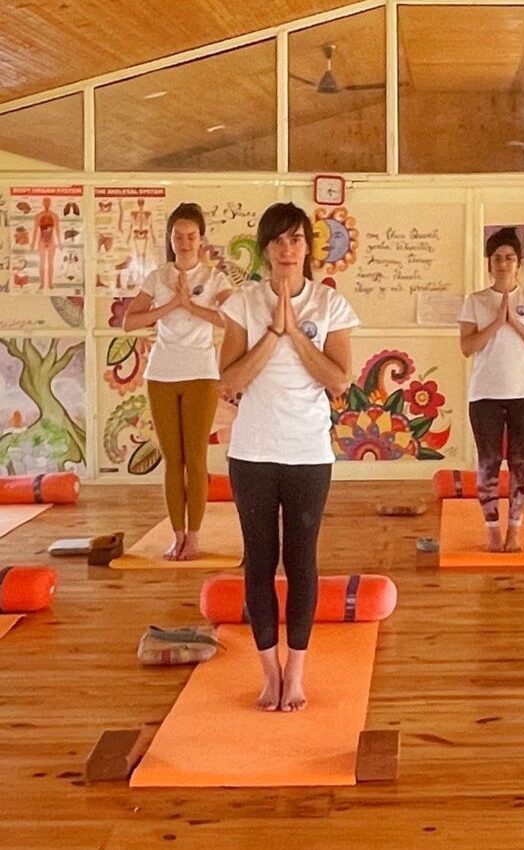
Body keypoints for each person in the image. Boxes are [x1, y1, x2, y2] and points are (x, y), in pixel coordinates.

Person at [218, 203, 359, 712]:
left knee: (301, 561)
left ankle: (296, 674)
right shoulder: (244, 304)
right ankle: (268, 673)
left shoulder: (329, 306)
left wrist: (296, 330)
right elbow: (230, 382)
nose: (286, 249)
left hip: (307, 452)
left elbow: (339, 380)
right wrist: (273, 331)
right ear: (264, 249)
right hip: (253, 452)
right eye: (277, 241)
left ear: (307, 248)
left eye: (295, 240)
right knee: (259, 562)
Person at [123, 203, 231, 560]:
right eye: (178, 236)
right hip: (162, 373)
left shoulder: (215, 279)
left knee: (196, 459)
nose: (184, 242)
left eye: (191, 236)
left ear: (201, 240)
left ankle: (195, 537)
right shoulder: (157, 277)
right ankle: (177, 534)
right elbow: (130, 321)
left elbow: (232, 321)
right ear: (170, 239)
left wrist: (189, 303)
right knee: (173, 460)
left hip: (201, 373)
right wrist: (171, 305)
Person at [458, 227, 524, 553]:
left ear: (519, 263)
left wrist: (514, 321)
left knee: (519, 462)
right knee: (487, 462)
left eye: (509, 258)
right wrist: (496, 322)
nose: (503, 263)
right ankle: (491, 530)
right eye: (497, 258)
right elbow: (467, 346)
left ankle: (515, 529)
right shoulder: (475, 301)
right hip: (484, 393)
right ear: (490, 263)